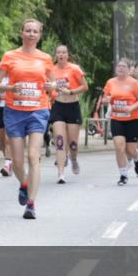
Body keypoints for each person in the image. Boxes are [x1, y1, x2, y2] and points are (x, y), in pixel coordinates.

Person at [0, 19, 56, 220]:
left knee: (33, 156)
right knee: (18, 162)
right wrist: (9, 88)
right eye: (28, 30)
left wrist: (50, 87)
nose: (31, 34)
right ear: (22, 33)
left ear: (39, 35)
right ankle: (24, 184)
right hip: (14, 111)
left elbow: (52, 83)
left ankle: (31, 204)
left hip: (38, 111)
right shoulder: (10, 56)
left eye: (35, 31)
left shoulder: (45, 58)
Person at [100, 58, 138, 185]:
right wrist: (106, 99)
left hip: (132, 119)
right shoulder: (111, 82)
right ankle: (123, 175)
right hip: (116, 118)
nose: (120, 68)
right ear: (116, 69)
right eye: (119, 66)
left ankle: (137, 159)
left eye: (123, 66)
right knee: (119, 147)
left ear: (128, 69)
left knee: (130, 150)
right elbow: (104, 98)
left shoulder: (134, 83)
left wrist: (130, 108)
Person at [49, 45, 88, 184]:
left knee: (73, 144)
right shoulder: (51, 70)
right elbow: (48, 88)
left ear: (67, 55)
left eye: (63, 52)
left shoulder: (75, 69)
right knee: (59, 141)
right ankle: (60, 173)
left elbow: (85, 86)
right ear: (56, 55)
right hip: (58, 106)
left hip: (72, 106)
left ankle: (74, 159)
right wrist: (50, 91)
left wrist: (70, 92)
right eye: (58, 52)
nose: (61, 55)